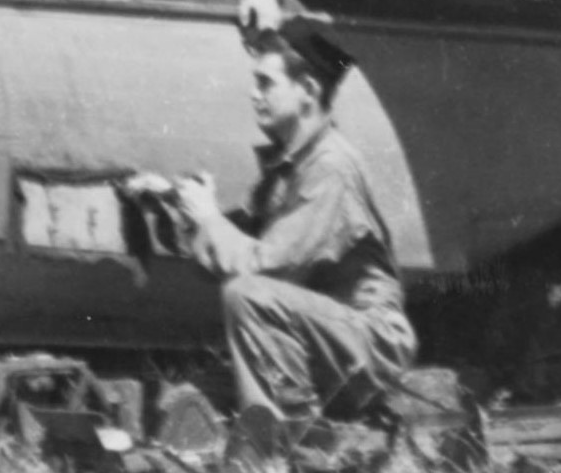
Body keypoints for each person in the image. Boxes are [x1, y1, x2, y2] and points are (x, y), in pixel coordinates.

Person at [134, 22, 418, 435]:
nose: (254, 94)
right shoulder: (292, 167)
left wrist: (209, 219)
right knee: (185, 400)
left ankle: (284, 445)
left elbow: (265, 268)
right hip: (324, 337)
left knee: (247, 293)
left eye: (266, 83)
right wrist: (179, 206)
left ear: (307, 90)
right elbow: (230, 249)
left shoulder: (330, 167)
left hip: (367, 343)